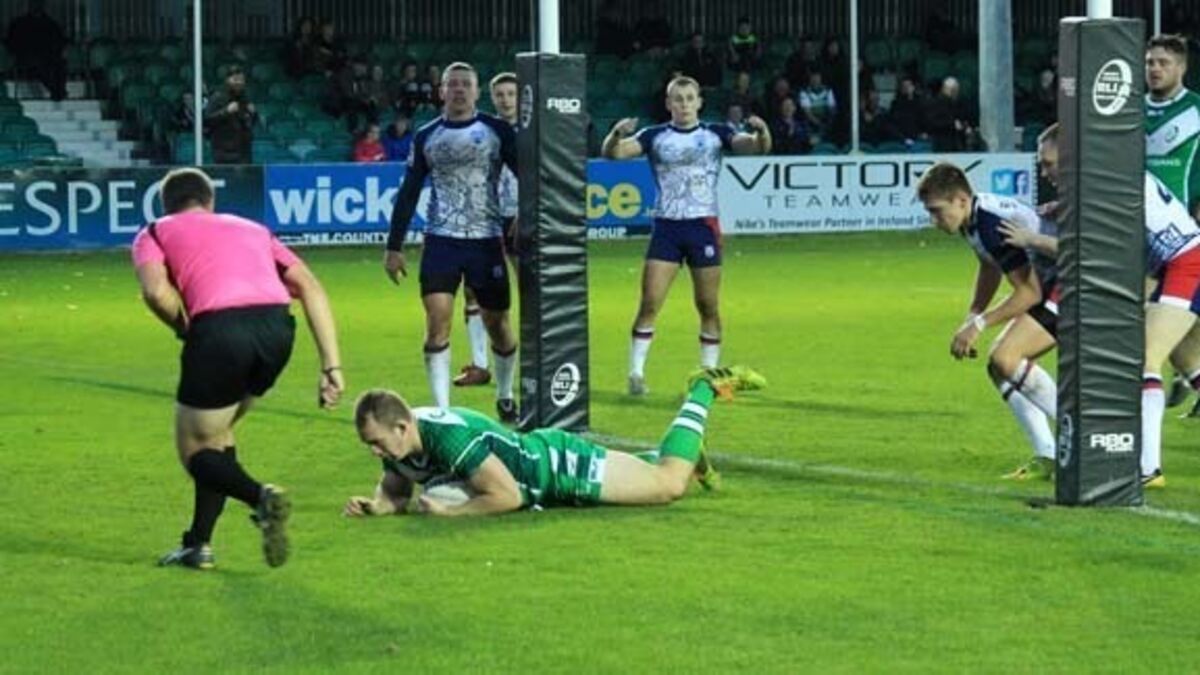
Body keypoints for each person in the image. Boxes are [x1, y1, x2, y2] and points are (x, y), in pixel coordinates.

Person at [132, 168, 345, 569]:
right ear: (210, 201)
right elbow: (310, 287)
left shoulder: (155, 232)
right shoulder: (254, 230)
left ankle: (261, 498)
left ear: (166, 205)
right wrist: (331, 365)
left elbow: (156, 292)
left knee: (196, 448)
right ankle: (199, 545)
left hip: (220, 330)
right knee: (218, 433)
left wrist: (185, 328)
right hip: (277, 330)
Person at [1008, 123, 1200, 488]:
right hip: (1180, 262)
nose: (1045, 172)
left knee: (1145, 360)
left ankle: (1148, 469)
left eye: (1049, 163)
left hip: (1185, 264)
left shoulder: (1099, 187)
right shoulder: (1105, 176)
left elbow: (1089, 251)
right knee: (1191, 365)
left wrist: (1031, 238)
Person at [342, 367, 766, 517]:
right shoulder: (399, 442)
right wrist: (378, 505)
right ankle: (679, 452)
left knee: (668, 485)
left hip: (559, 466)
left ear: (402, 427)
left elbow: (506, 496)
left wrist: (453, 514)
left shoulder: (450, 438)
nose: (374, 451)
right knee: (661, 470)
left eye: (376, 442)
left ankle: (704, 388)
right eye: (369, 445)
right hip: (546, 477)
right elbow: (397, 491)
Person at [601, 76, 772, 396]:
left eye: (689, 98)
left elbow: (755, 147)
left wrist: (762, 131)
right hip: (667, 228)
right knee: (650, 303)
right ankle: (636, 374)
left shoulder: (716, 134)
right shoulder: (654, 136)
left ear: (699, 102)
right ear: (669, 104)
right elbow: (615, 154)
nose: (684, 104)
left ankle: (708, 375)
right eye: (678, 99)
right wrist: (615, 135)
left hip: (702, 227)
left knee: (708, 305)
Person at [385, 62, 520, 422]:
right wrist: (394, 246)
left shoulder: (497, 131)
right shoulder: (426, 136)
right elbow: (409, 191)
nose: (459, 89)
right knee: (437, 322)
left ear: (476, 92)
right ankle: (442, 411)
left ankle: (505, 394)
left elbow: (526, 173)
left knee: (498, 324)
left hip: (485, 240)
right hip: (441, 240)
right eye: (453, 84)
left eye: (466, 84)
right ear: (442, 91)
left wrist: (527, 210)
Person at [916, 161, 1056, 480]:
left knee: (1006, 359)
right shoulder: (973, 219)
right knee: (999, 367)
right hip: (1049, 284)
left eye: (937, 211)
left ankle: (1082, 437)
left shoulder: (992, 224)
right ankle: (1048, 454)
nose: (933, 220)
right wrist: (973, 315)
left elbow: (1029, 293)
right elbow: (989, 265)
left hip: (1068, 285)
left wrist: (979, 325)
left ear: (961, 200)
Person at [1145, 35, 1200, 410]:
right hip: (1141, 233)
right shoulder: (1129, 110)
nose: (1154, 69)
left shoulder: (1195, 110)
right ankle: (1186, 371)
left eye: (1163, 62)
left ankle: (1180, 371)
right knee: (1154, 316)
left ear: (1181, 67)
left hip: (1183, 232)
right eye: (1150, 62)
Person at [455, 72, 520, 389]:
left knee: (530, 290)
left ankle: (537, 361)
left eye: (511, 94)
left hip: (520, 217)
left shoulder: (532, 132)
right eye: (500, 94)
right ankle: (480, 364)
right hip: (487, 218)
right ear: (491, 97)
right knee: (473, 291)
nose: (506, 100)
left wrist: (527, 210)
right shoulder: (484, 131)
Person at [203, 67, 257, 165]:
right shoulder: (217, 97)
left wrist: (253, 114)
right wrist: (226, 111)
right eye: (235, 79)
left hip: (243, 153)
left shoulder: (246, 98)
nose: (239, 83)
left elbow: (250, 123)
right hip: (224, 153)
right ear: (227, 80)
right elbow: (207, 120)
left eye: (241, 80)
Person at [798, 71, 837, 144]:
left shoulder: (828, 90)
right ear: (810, 78)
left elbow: (832, 108)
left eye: (817, 77)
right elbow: (807, 113)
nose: (815, 79)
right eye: (813, 77)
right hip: (811, 124)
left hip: (827, 122)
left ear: (820, 77)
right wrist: (819, 124)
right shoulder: (804, 92)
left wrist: (828, 123)